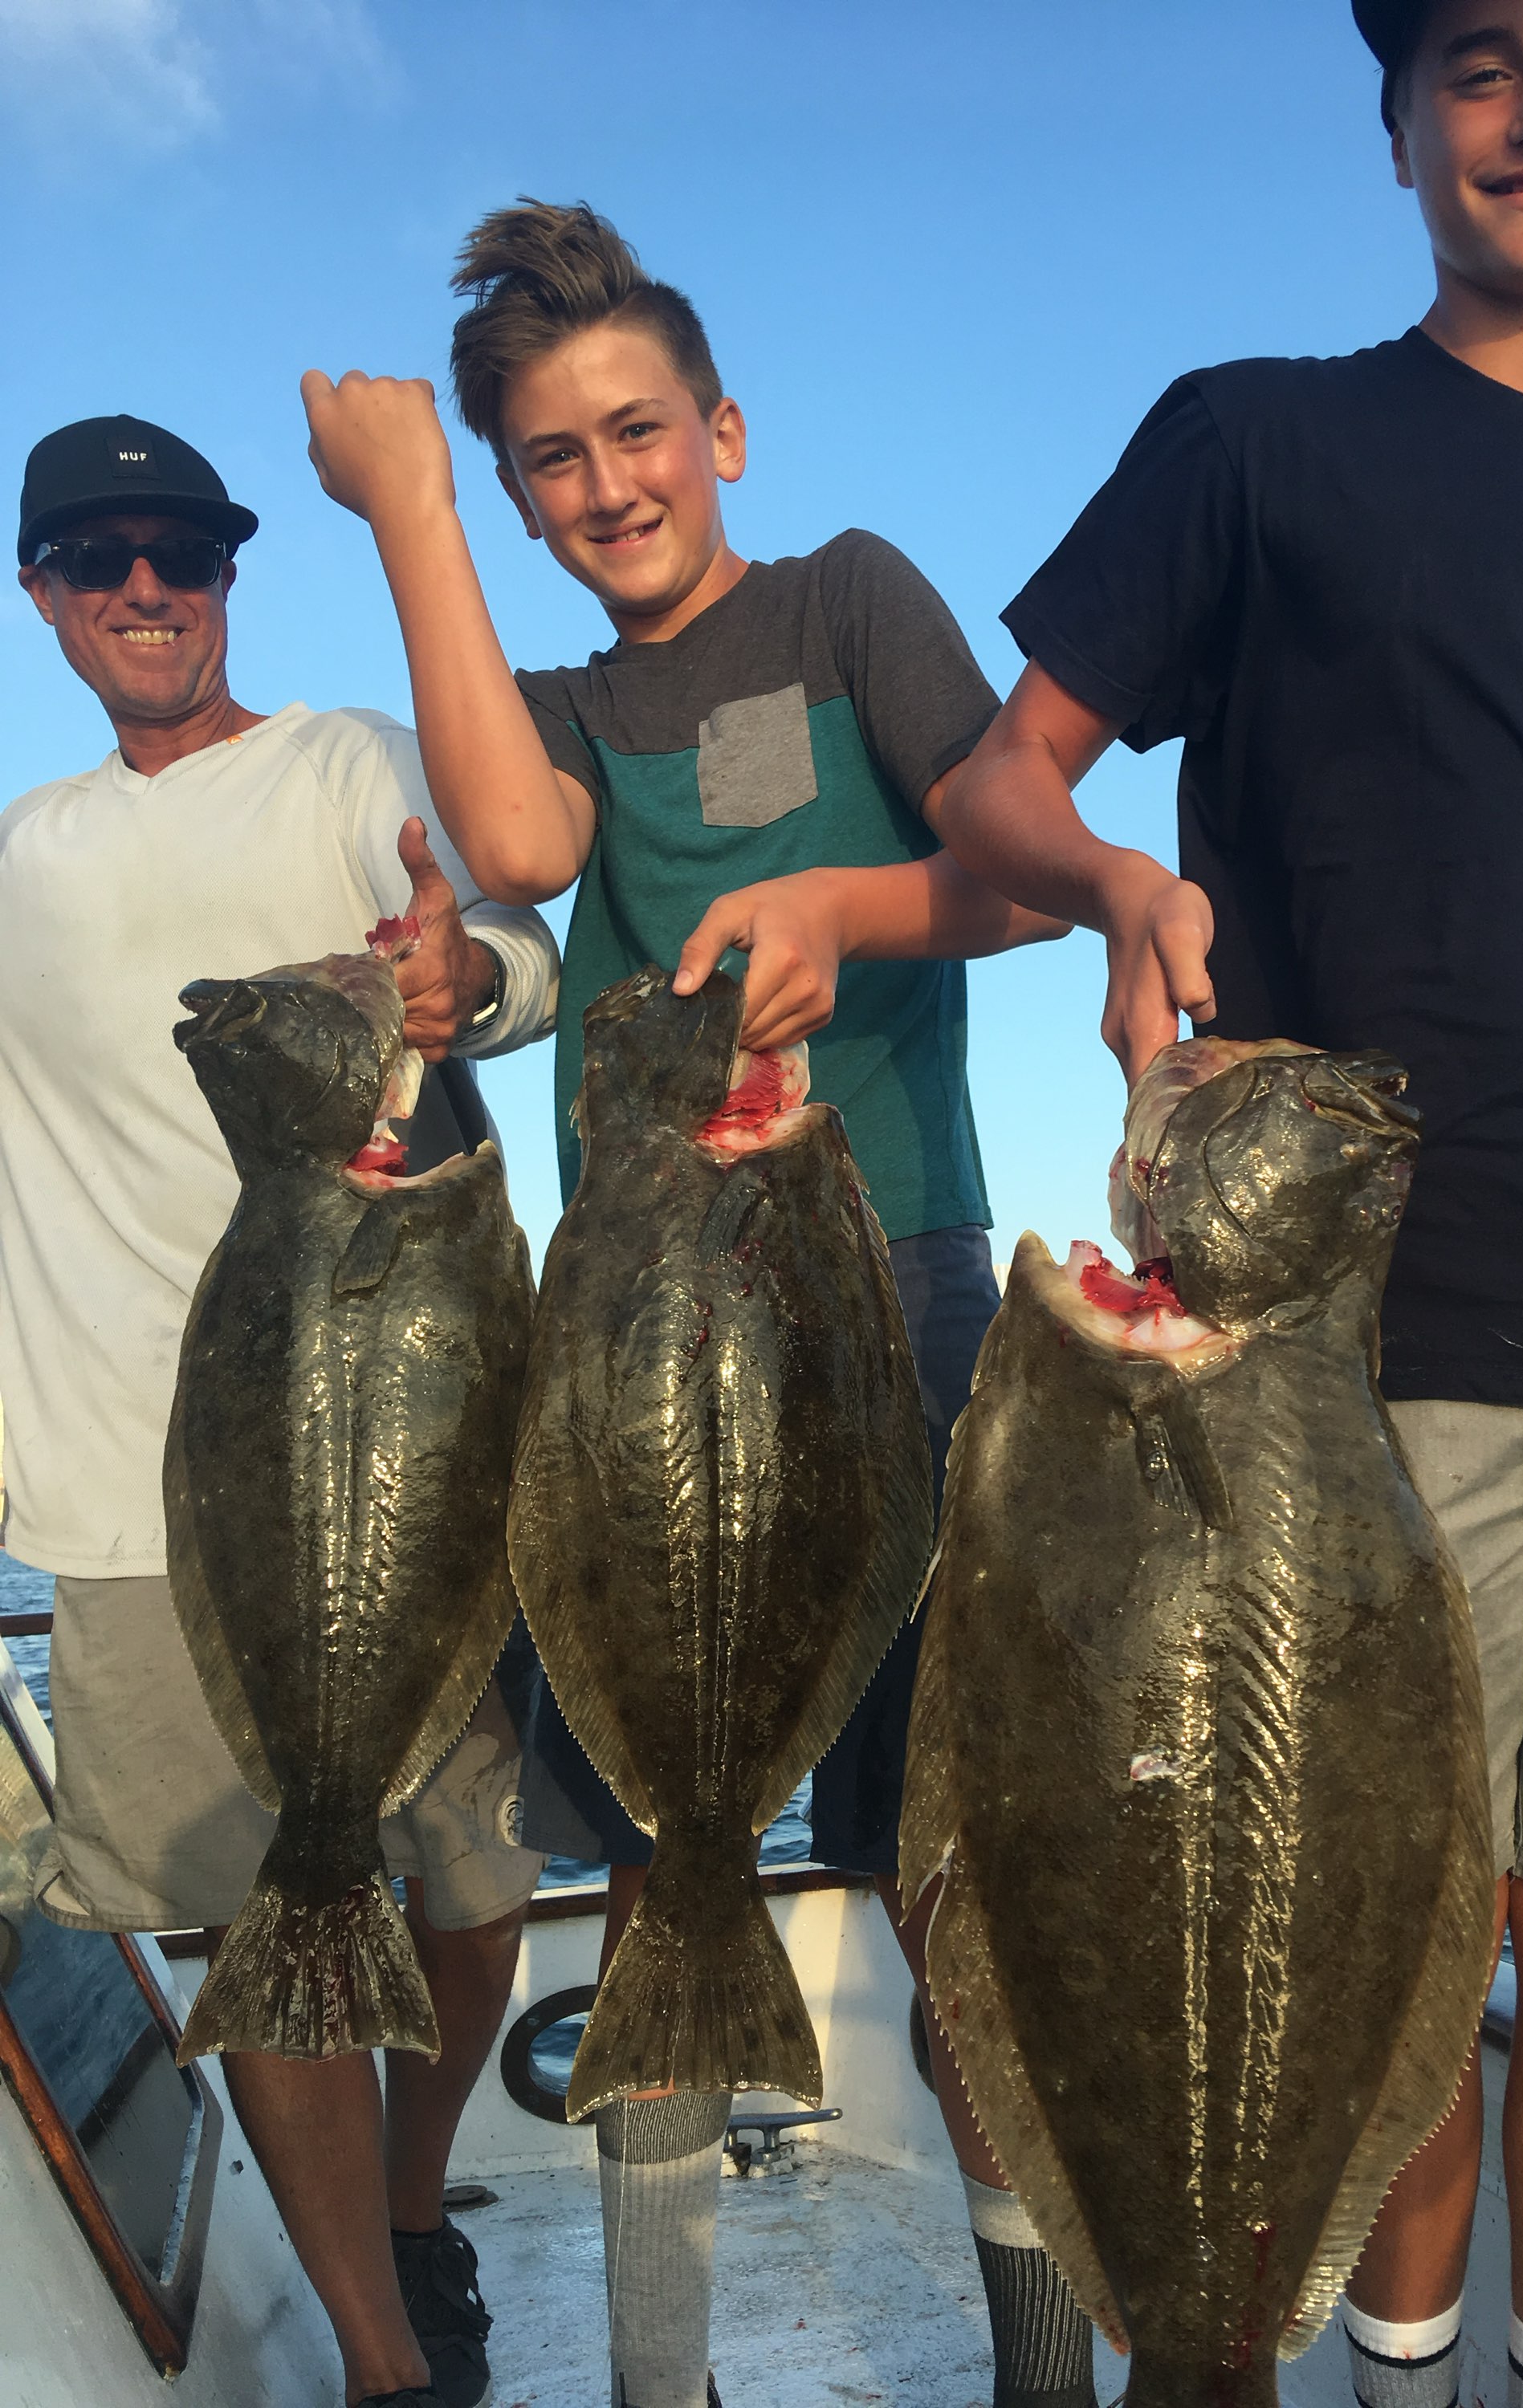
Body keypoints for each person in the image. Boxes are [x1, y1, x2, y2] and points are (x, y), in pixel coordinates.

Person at [936, 6, 1523, 2407]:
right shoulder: (1256, 437)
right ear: (1401, 125)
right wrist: (1119, 886)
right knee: (1388, 1952)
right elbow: (1001, 785)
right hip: (1353, 1320)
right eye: (1476, 62)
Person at [299, 202, 1086, 2408]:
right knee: (664, 1864)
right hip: (637, 1339)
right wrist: (412, 506)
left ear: (722, 430)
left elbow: (1016, 878)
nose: (608, 482)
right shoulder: (554, 708)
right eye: (550, 459)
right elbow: (522, 858)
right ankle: (665, 2377)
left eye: (638, 431)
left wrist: (842, 904)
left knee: (945, 1876)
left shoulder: (848, 600)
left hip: (897, 1296)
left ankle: (1042, 2365)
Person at [0, 413, 564, 2408]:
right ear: (45, 596)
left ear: (232, 575)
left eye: (185, 551)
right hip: (126, 1490)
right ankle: (384, 2362)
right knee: (270, 1935)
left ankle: (417, 2201)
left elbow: (519, 952)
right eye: (100, 557)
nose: (147, 587)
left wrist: (461, 988)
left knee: (479, 1899)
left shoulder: (351, 763)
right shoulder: (22, 859)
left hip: (419, 1442)